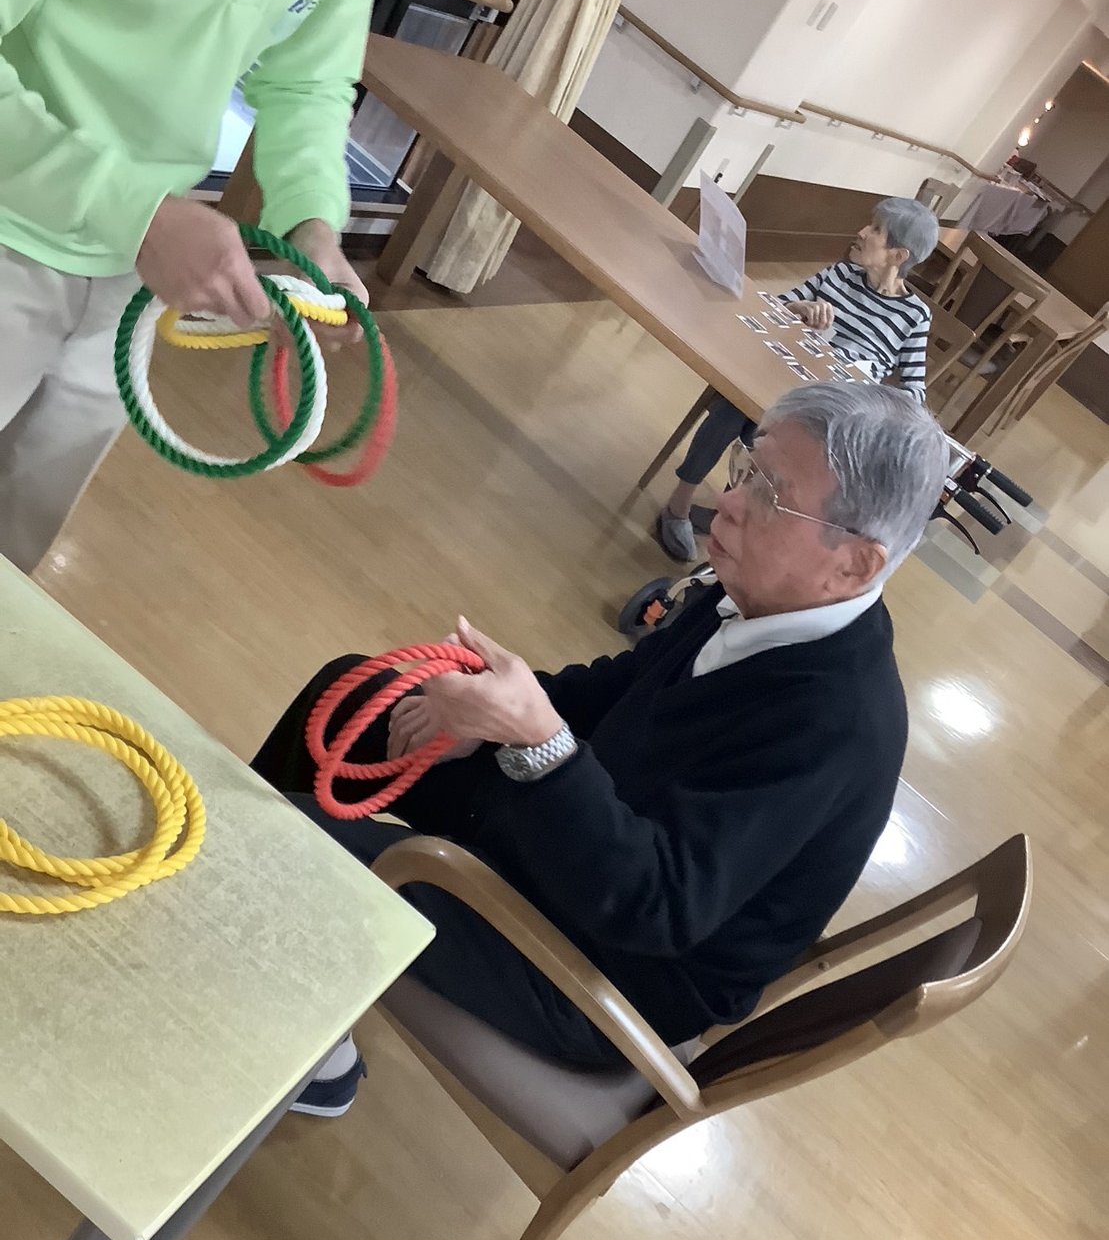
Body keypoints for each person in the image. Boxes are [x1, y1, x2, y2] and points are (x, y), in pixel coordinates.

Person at [252, 382, 950, 1117]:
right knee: (354, 697)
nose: (727, 501)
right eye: (746, 469)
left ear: (854, 565)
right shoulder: (755, 594)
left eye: (771, 495)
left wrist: (537, 741)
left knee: (292, 841)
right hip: (588, 850)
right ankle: (249, 937)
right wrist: (492, 712)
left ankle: (313, 1055)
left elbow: (656, 906)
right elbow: (611, 688)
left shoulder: (836, 724)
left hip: (603, 971)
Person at [0, 0, 377, 575]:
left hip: (128, 276)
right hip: (22, 212)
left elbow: (309, 84)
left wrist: (311, 224)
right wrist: (136, 214)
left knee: (23, 529)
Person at [656, 196, 940, 562]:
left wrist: (872, 390)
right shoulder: (839, 274)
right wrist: (798, 308)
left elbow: (914, 392)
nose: (861, 232)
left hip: (829, 413)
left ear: (897, 255)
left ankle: (731, 513)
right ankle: (680, 506)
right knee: (735, 407)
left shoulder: (915, 316)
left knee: (769, 430)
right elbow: (770, 306)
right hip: (778, 380)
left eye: (876, 230)